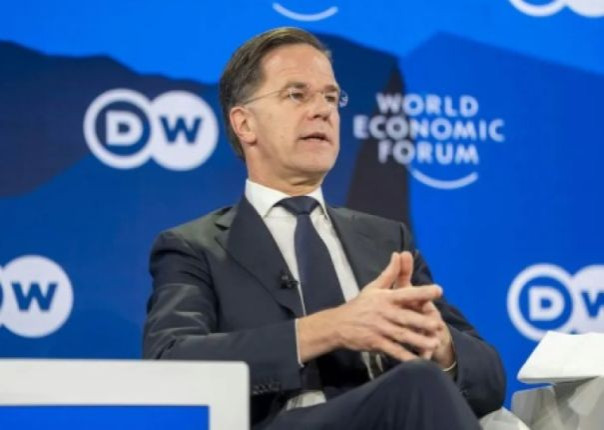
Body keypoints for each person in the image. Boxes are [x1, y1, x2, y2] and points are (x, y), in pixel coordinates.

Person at [143, 27, 505, 429]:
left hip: (395, 414)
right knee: (416, 383)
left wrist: (441, 345)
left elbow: (490, 380)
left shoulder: (386, 240)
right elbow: (171, 364)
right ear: (244, 124)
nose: (322, 110)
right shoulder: (194, 248)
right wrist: (330, 327)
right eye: (297, 95)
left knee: (428, 382)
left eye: (331, 97)